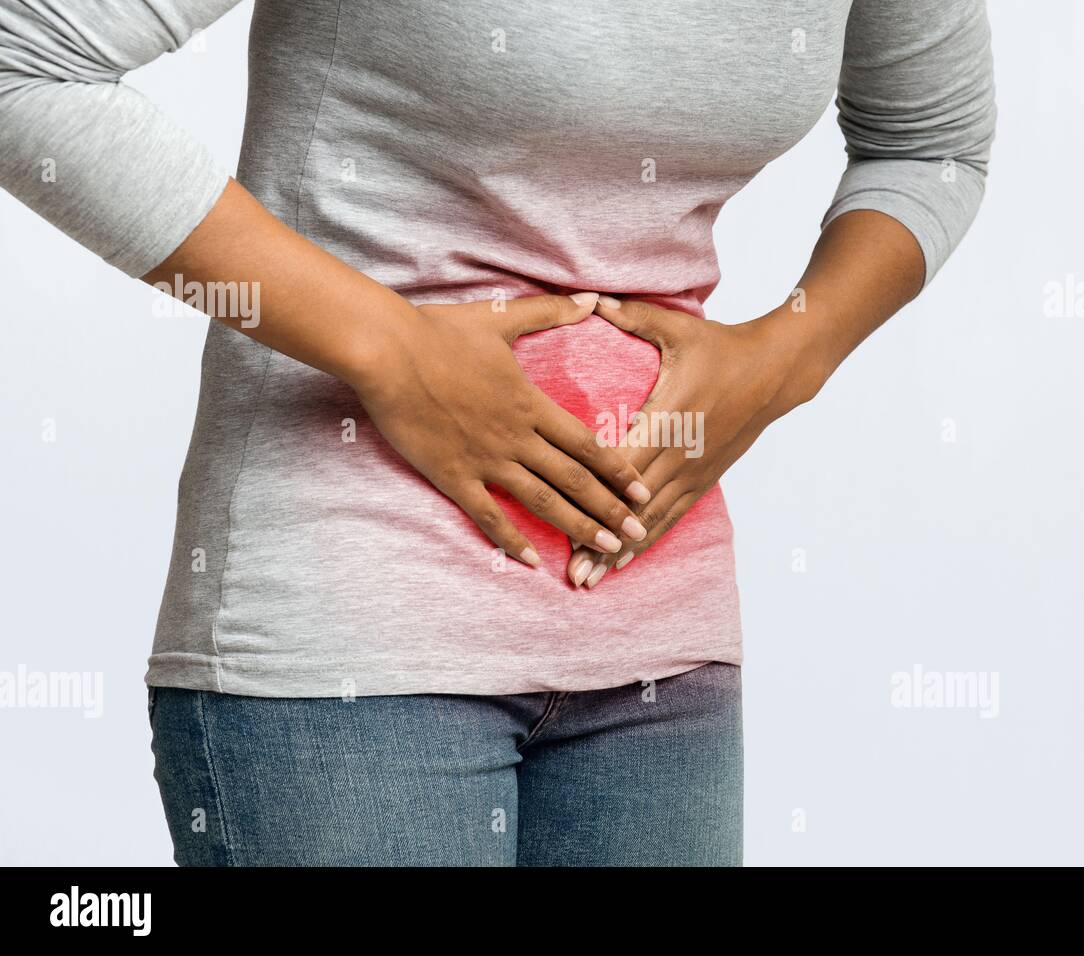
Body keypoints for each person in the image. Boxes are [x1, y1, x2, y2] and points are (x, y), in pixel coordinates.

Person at [0, 0, 996, 865]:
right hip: (352, 633)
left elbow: (933, 142)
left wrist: (785, 357)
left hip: (659, 641)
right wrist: (391, 348)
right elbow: (24, 52)